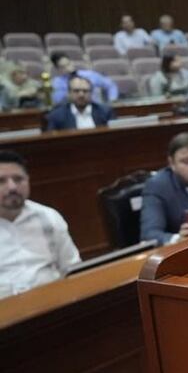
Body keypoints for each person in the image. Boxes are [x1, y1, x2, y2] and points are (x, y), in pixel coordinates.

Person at [0, 150, 81, 298]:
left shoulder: (49, 217)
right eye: (1, 181)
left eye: (18, 179)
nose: (12, 187)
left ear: (28, 181)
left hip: (52, 301)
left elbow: (72, 267)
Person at [44, 76, 115, 131]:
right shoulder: (56, 116)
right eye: (76, 91)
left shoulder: (105, 112)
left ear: (91, 93)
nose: (81, 95)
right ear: (69, 93)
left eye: (85, 91)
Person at [49, 53, 119, 105]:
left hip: (96, 109)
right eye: (63, 67)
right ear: (57, 69)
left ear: (72, 62)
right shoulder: (57, 83)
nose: (68, 68)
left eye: (68, 64)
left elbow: (111, 85)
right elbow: (58, 101)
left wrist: (112, 100)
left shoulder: (89, 74)